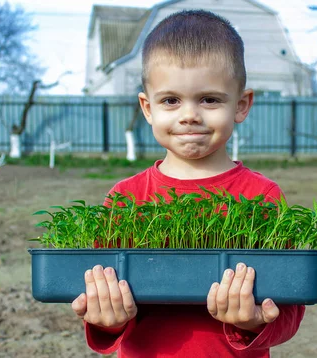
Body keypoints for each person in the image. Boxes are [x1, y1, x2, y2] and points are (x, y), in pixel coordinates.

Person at [71, 9, 305, 357]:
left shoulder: (262, 197)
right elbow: (106, 309)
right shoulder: (126, 198)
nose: (190, 114)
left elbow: (290, 310)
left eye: (210, 99)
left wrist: (254, 321)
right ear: (148, 108)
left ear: (241, 105)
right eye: (171, 100)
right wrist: (108, 318)